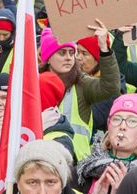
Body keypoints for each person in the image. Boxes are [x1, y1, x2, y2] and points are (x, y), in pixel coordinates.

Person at [38, 24, 120, 162]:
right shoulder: (34, 83)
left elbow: (110, 87)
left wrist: (105, 51)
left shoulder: (81, 83)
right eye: (62, 53)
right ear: (48, 57)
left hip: (77, 164)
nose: (69, 58)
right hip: (42, 157)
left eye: (71, 52)